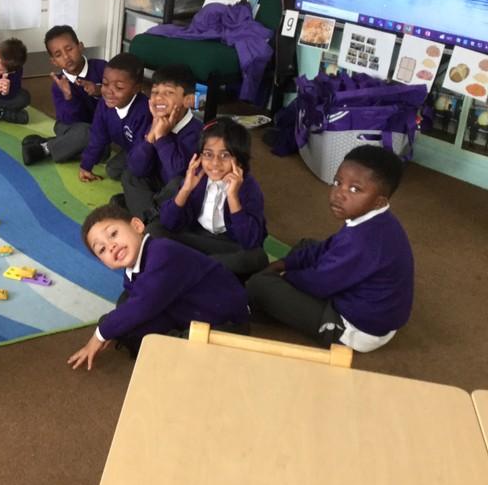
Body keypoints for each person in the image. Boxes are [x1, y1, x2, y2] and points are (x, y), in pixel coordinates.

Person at [246, 145, 414, 352]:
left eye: (355, 189)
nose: (339, 194)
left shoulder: (363, 242)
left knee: (260, 285)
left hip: (357, 329)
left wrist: (283, 275)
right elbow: (331, 246)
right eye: (337, 182)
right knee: (308, 246)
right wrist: (285, 262)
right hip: (360, 300)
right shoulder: (374, 219)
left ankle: (261, 306)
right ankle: (276, 300)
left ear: (379, 201)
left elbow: (318, 283)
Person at [67, 203, 250, 369]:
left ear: (137, 226)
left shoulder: (163, 252)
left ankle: (178, 348)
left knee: (125, 321)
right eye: (102, 249)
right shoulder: (132, 269)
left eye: (113, 234)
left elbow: (142, 305)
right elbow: (136, 300)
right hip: (184, 309)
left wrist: (101, 333)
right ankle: (166, 342)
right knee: (123, 311)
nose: (111, 246)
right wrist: (111, 326)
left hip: (224, 321)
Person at [152, 117, 269, 278]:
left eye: (225, 155)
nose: (215, 163)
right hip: (196, 237)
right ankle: (202, 268)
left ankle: (191, 266)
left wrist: (233, 197)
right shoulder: (197, 177)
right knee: (154, 230)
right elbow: (168, 222)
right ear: (199, 157)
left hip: (227, 246)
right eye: (208, 154)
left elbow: (250, 241)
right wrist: (186, 189)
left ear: (240, 159)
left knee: (257, 257)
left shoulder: (249, 188)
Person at [121, 63, 202, 221]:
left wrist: (162, 138)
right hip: (158, 186)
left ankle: (146, 215)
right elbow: (136, 168)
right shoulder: (155, 122)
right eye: (155, 92)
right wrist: (151, 136)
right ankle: (150, 215)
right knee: (130, 175)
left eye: (169, 92)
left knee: (178, 183)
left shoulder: (196, 132)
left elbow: (176, 173)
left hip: (180, 192)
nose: (158, 98)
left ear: (188, 100)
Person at [21, 25, 106, 166]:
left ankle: (47, 145)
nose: (66, 57)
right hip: (71, 127)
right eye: (58, 55)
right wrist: (68, 97)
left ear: (80, 46)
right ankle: (49, 148)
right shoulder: (59, 85)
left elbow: (118, 99)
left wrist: (99, 90)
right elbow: (69, 121)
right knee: (87, 134)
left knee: (102, 151)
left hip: (99, 129)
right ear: (54, 61)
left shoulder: (102, 68)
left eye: (69, 49)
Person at [78, 53, 149, 183]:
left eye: (119, 87)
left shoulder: (144, 112)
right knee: (112, 170)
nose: (109, 92)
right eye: (105, 84)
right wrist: (86, 165)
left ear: (136, 89)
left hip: (148, 154)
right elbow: (98, 136)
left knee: (134, 176)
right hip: (130, 150)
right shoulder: (104, 105)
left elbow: (144, 151)